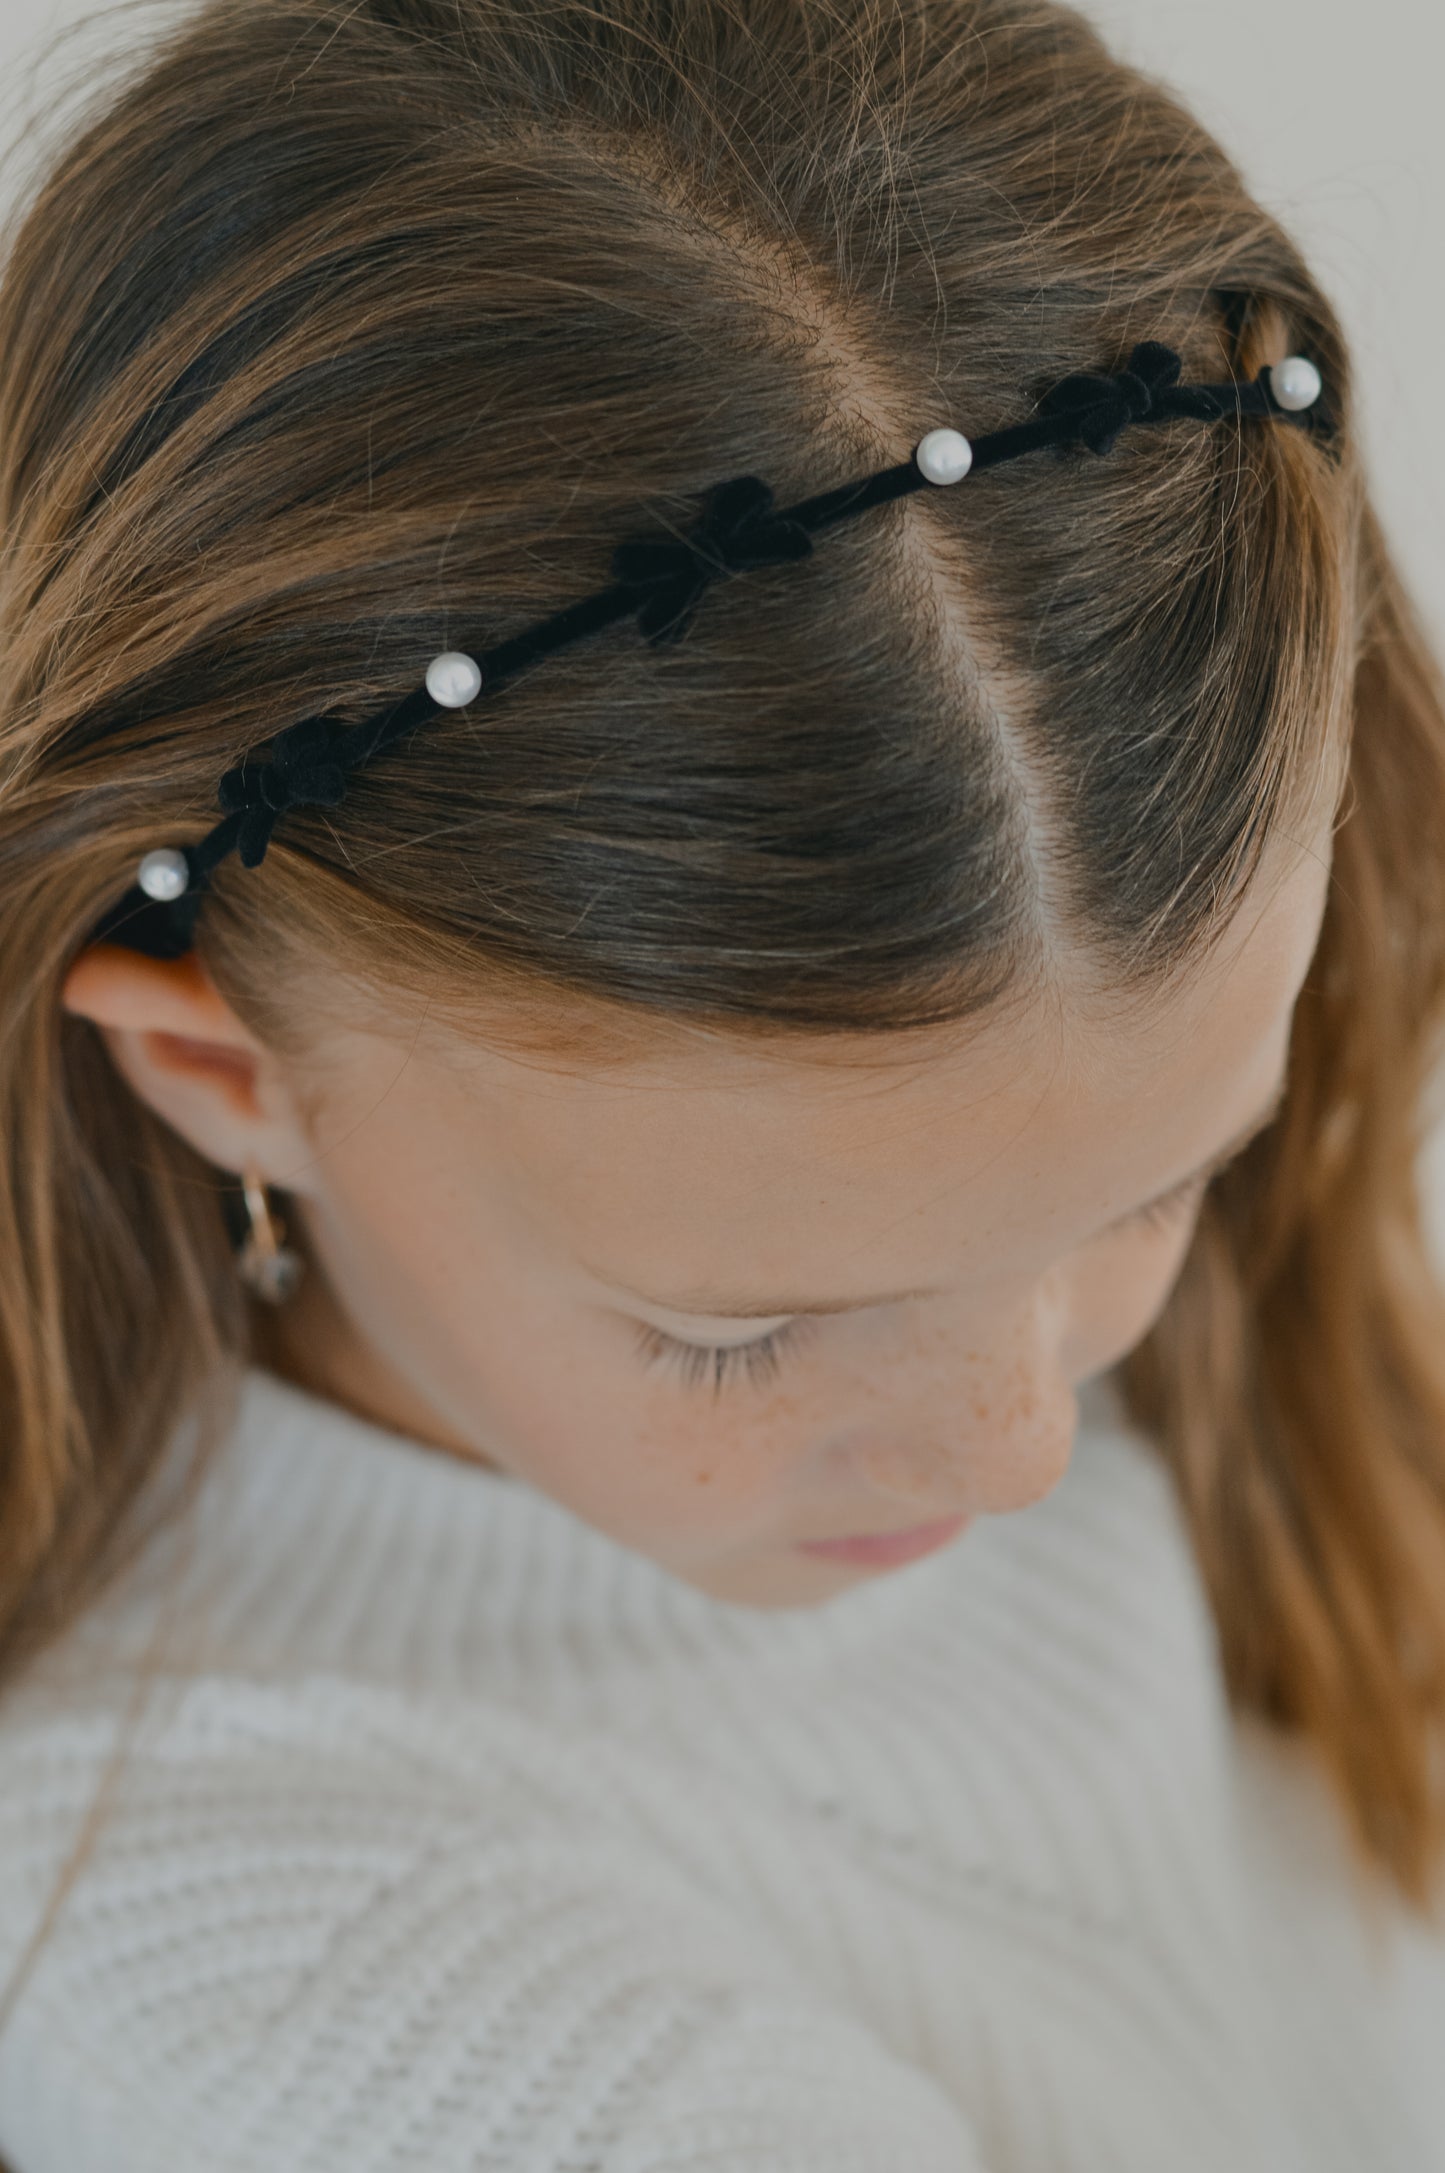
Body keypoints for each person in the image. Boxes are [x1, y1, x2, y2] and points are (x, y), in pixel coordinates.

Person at [0, 0, 1442, 2164]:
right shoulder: (342, 2026)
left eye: (1166, 1189)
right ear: (223, 1063)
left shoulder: (1029, 1301)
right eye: (734, 1333)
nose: (1027, 1435)